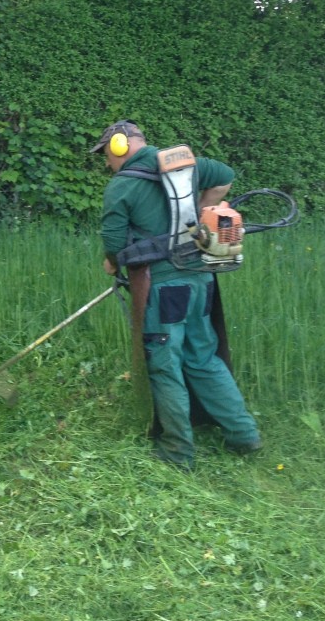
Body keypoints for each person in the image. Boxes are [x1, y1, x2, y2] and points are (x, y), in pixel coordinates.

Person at [92, 120, 262, 469]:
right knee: (203, 358)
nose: (106, 163)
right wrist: (202, 209)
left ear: (118, 146)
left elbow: (113, 243)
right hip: (201, 279)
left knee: (165, 365)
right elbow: (225, 174)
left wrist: (112, 263)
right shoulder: (185, 166)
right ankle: (244, 434)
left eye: (105, 155)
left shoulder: (120, 186)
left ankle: (177, 450)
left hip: (165, 289)